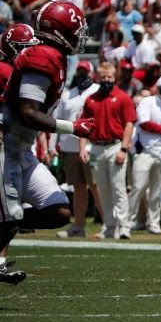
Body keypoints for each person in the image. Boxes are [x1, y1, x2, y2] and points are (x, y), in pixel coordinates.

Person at [0, 0, 95, 301]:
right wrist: (73, 127)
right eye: (75, 30)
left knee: (58, 211)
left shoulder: (52, 56)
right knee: (7, 225)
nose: (79, 36)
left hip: (20, 145)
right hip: (2, 140)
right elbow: (28, 113)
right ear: (61, 31)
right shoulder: (43, 56)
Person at [0, 24, 37, 285]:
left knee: (2, 208)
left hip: (4, 143)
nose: (30, 54)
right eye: (25, 49)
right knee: (4, 210)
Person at [78, 62, 137, 240]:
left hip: (115, 145)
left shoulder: (122, 97)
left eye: (109, 77)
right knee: (102, 189)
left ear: (114, 77)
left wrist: (124, 148)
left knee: (118, 188)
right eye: (103, 77)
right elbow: (83, 125)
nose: (106, 80)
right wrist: (82, 147)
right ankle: (109, 225)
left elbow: (129, 123)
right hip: (96, 146)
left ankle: (124, 226)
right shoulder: (92, 99)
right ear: (98, 78)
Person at [53, 61, 100, 239]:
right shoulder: (68, 95)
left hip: (90, 146)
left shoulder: (97, 91)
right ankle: (78, 226)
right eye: (79, 71)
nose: (81, 75)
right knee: (78, 187)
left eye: (85, 72)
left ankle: (109, 225)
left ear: (92, 74)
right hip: (70, 146)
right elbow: (58, 121)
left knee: (96, 186)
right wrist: (54, 146)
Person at [127, 75, 161, 235]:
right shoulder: (147, 102)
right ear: (157, 87)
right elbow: (144, 124)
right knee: (138, 187)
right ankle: (126, 220)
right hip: (145, 151)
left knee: (157, 192)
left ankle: (153, 222)